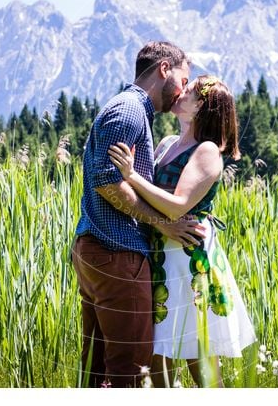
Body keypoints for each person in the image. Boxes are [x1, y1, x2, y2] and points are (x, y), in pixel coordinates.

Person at [72, 41, 205, 388]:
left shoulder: (130, 109)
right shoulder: (129, 110)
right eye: (183, 78)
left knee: (97, 369)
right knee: (129, 370)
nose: (181, 91)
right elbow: (106, 181)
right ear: (164, 69)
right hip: (116, 249)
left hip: (100, 248)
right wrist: (165, 224)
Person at [108, 74, 256, 387]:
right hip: (161, 256)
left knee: (197, 353)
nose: (179, 91)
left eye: (188, 91)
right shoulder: (167, 144)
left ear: (202, 106)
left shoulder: (207, 151)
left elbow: (177, 206)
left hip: (189, 261)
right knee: (159, 351)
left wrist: (131, 175)